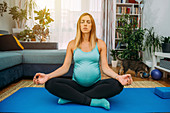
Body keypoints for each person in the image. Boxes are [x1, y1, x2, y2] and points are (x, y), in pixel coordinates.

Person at [33, 13, 133, 110]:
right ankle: (93, 101)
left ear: (92, 26)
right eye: (82, 22)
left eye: (88, 22)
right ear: (79, 25)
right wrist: (47, 76)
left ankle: (71, 98)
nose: (85, 24)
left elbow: (105, 68)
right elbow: (65, 68)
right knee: (50, 83)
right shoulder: (72, 44)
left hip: (96, 86)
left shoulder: (101, 44)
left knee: (117, 85)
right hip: (76, 85)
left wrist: (118, 77)